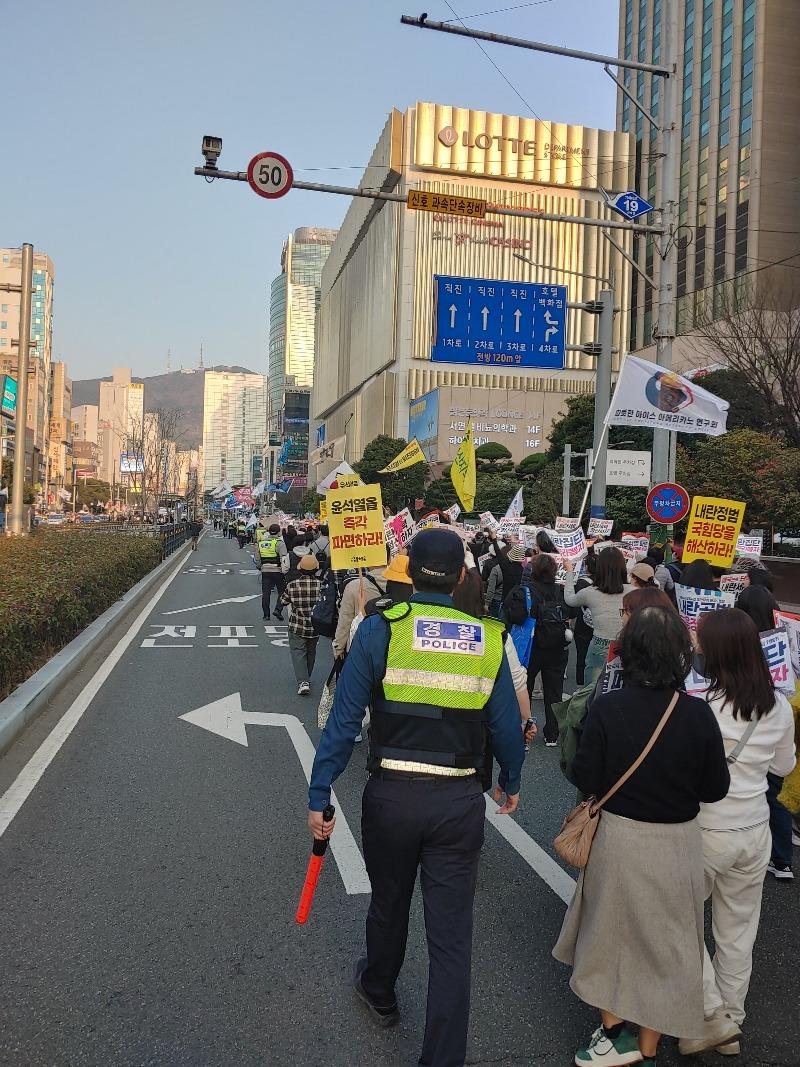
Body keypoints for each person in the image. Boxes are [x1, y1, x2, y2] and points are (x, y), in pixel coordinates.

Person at [307, 529, 525, 1067]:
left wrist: (320, 790)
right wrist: (512, 781)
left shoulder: (381, 630)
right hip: (458, 802)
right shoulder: (486, 638)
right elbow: (506, 726)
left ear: (407, 571)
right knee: (451, 937)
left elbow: (342, 720)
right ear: (460, 577)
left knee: (389, 903)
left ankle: (379, 989)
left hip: (392, 795)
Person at [554, 606, 731, 1067]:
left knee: (606, 939)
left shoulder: (609, 708)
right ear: (679, 656)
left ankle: (615, 1036)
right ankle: (648, 1046)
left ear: (627, 653)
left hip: (621, 838)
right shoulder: (696, 714)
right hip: (679, 843)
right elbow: (715, 787)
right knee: (669, 944)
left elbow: (586, 774)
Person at [678, 609, 796, 1057]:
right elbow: (784, 766)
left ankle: (711, 1014)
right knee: (738, 931)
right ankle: (732, 1019)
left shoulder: (700, 703)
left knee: (676, 919)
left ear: (718, 649)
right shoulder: (778, 704)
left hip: (704, 829)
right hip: (755, 829)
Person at [524, 553, 572, 746]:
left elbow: (513, 615)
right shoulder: (560, 590)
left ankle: (524, 731)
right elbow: (572, 610)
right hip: (557, 646)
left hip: (532, 646)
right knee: (554, 691)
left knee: (524, 688)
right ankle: (552, 734)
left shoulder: (526, 590)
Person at [563, 547, 632, 680]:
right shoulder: (634, 592)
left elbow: (570, 599)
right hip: (627, 645)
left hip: (599, 643)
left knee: (593, 688)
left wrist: (569, 572)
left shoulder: (590, 592)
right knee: (621, 686)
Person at [279, 555, 322, 695]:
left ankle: (303, 681)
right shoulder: (321, 585)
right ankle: (306, 676)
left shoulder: (292, 585)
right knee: (311, 652)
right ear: (316, 569)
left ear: (300, 569)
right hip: (315, 625)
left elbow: (283, 601)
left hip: (297, 624)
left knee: (298, 652)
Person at [573, 553, 597, 686]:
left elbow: (573, 602)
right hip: (600, 622)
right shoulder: (604, 582)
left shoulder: (581, 583)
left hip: (583, 624)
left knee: (581, 656)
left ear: (586, 567)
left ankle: (581, 687)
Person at [257, 523, 288, 621]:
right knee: (282, 591)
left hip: (265, 570)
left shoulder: (261, 543)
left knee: (266, 593)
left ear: (269, 531)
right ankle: (278, 609)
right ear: (279, 532)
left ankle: (266, 615)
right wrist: (285, 571)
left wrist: (260, 567)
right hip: (277, 570)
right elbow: (284, 558)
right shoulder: (279, 543)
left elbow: (257, 558)